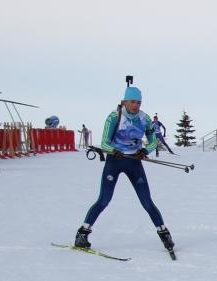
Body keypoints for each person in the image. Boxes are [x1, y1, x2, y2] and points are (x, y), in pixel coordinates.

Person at [73, 86, 175, 254]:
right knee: (104, 200)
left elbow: (152, 141)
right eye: (132, 102)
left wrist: (145, 151)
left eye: (139, 102)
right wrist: (113, 151)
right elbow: (104, 142)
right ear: (124, 102)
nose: (136, 105)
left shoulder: (145, 118)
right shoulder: (114, 116)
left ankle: (164, 234)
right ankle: (82, 234)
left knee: (147, 202)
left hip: (134, 161)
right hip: (115, 160)